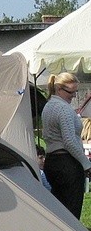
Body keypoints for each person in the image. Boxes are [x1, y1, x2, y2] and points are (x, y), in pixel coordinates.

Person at [42, 73, 91, 219]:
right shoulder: (64, 109)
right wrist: (86, 164)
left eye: (75, 91)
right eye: (71, 92)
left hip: (51, 161)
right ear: (58, 89)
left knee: (59, 210)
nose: (74, 96)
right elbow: (69, 141)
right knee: (72, 211)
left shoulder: (48, 106)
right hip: (67, 163)